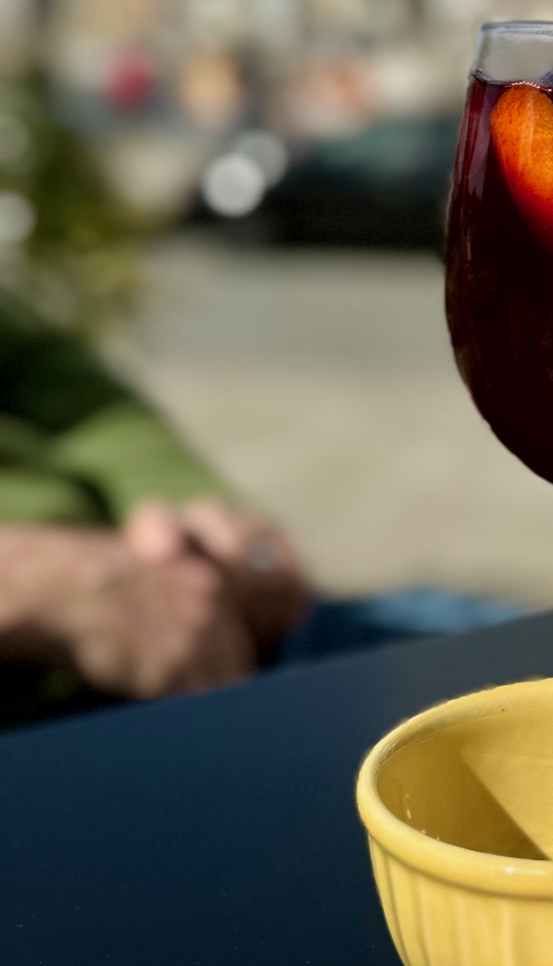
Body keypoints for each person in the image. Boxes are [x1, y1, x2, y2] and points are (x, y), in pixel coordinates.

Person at [0, 290, 515, 726]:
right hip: (60, 719)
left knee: (550, 669)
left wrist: (184, 515)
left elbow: (39, 376)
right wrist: (29, 585)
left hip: (222, 623)